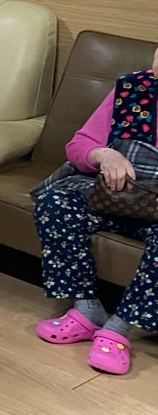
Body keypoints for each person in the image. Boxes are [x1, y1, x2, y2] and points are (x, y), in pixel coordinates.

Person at [32, 44, 158, 375]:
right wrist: (104, 155)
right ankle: (87, 309)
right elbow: (78, 145)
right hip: (110, 197)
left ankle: (120, 329)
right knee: (55, 203)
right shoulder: (133, 89)